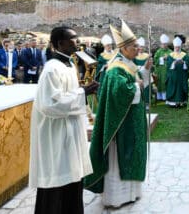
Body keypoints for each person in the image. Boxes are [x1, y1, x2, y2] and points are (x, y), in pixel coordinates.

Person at [30, 26, 97, 214]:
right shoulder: (52, 69)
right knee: (58, 180)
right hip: (56, 135)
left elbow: (68, 95)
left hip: (69, 131)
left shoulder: (69, 64)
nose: (77, 41)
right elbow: (50, 104)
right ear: (60, 43)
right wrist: (83, 92)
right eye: (73, 39)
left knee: (72, 179)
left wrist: (85, 91)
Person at [85, 21, 148, 208]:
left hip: (131, 118)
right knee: (121, 156)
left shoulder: (128, 63)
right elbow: (118, 92)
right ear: (125, 48)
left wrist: (145, 71)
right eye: (135, 46)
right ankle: (117, 197)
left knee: (133, 154)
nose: (138, 49)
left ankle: (132, 192)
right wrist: (137, 86)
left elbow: (136, 80)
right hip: (121, 124)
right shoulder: (115, 67)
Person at [165, 37, 189, 107]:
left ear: (180, 47)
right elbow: (169, 65)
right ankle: (173, 102)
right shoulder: (170, 55)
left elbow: (188, 63)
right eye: (176, 47)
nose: (177, 49)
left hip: (182, 75)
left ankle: (182, 102)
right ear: (174, 47)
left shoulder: (184, 55)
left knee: (181, 88)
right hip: (173, 76)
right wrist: (174, 63)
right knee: (173, 87)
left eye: (178, 47)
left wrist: (184, 62)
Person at [153, 34, 171, 101]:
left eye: (165, 44)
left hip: (167, 71)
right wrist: (162, 58)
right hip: (159, 71)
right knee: (159, 83)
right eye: (163, 44)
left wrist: (168, 58)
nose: (164, 45)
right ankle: (159, 96)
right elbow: (155, 60)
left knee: (165, 83)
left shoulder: (170, 52)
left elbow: (172, 60)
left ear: (167, 44)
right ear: (161, 44)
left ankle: (165, 97)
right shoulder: (158, 52)